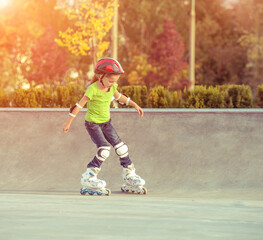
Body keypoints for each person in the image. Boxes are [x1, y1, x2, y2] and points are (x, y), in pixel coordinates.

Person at [62, 57, 147, 195]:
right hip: (93, 125)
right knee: (104, 150)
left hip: (106, 123)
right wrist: (68, 122)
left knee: (122, 148)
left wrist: (135, 105)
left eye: (115, 81)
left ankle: (129, 174)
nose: (112, 84)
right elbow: (79, 105)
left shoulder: (112, 87)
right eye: (110, 80)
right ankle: (89, 176)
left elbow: (120, 98)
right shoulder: (92, 89)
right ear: (100, 76)